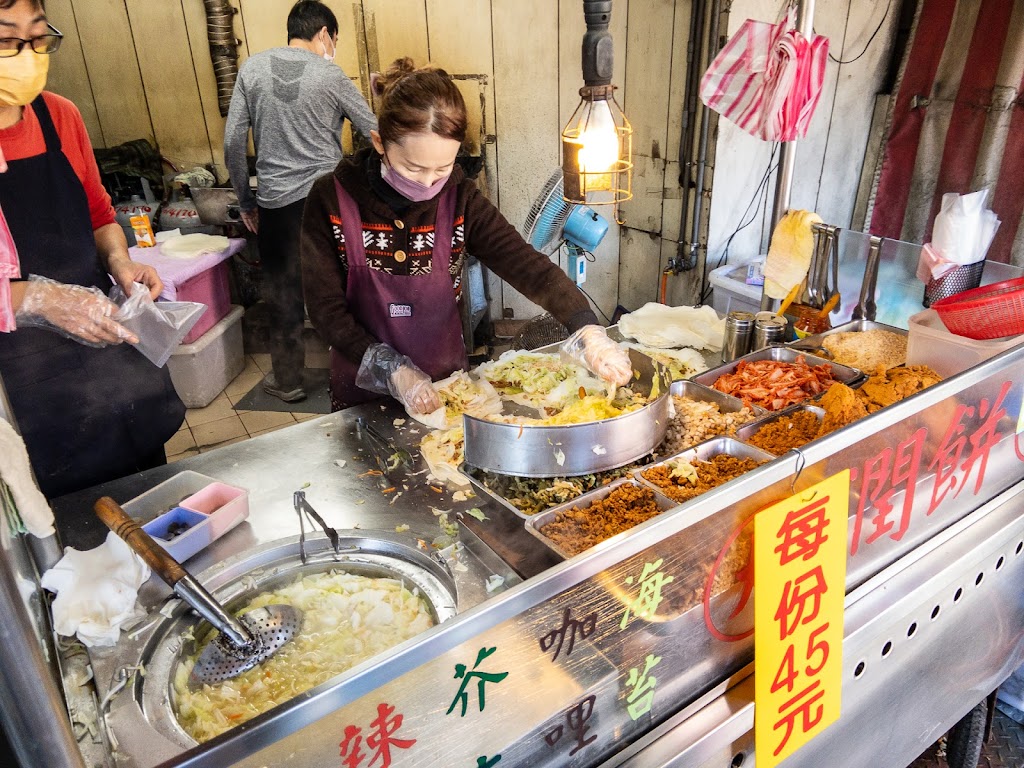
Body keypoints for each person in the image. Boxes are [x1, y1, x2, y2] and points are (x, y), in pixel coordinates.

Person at [301, 58, 631, 414]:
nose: (428, 184)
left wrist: (588, 330)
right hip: (361, 396)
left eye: (442, 169)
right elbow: (325, 309)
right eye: (413, 168)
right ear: (380, 143)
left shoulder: (460, 200)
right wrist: (390, 369)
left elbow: (526, 265)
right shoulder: (330, 199)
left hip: (448, 392)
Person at [0, 0, 185, 499]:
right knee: (74, 519)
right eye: (6, 40)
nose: (27, 54)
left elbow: (100, 215)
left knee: (149, 488)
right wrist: (39, 299)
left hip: (103, 336)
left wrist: (120, 262)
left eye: (38, 37)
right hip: (23, 370)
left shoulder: (60, 116)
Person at [224, 0, 377, 402]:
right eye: (335, 40)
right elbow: (376, 135)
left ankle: (288, 380)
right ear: (324, 34)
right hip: (328, 205)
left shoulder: (251, 69)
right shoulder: (331, 74)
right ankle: (359, 377)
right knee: (346, 292)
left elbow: (232, 143)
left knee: (283, 295)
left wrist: (246, 201)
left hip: (275, 206)